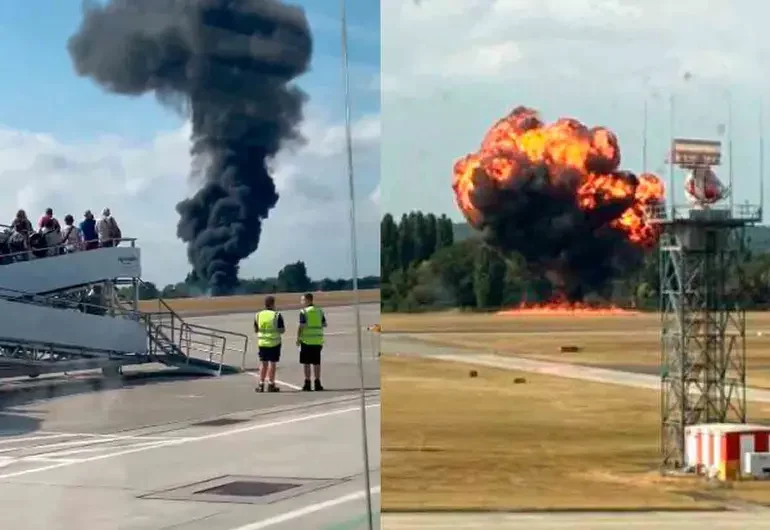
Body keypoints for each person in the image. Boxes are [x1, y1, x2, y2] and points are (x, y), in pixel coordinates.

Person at [254, 295, 285, 393]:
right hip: (274, 342)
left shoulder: (258, 315)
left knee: (263, 364)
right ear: (272, 304)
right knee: (272, 364)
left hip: (262, 343)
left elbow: (256, 329)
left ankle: (261, 384)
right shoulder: (277, 315)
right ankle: (271, 384)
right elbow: (282, 330)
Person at [296, 292, 327, 391]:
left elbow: (301, 326)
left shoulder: (304, 311)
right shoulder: (319, 311)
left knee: (306, 363)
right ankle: (318, 383)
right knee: (316, 363)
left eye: (303, 300)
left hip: (306, 340)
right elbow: (324, 324)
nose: (302, 302)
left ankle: (307, 383)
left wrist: (298, 338)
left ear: (308, 300)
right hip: (317, 340)